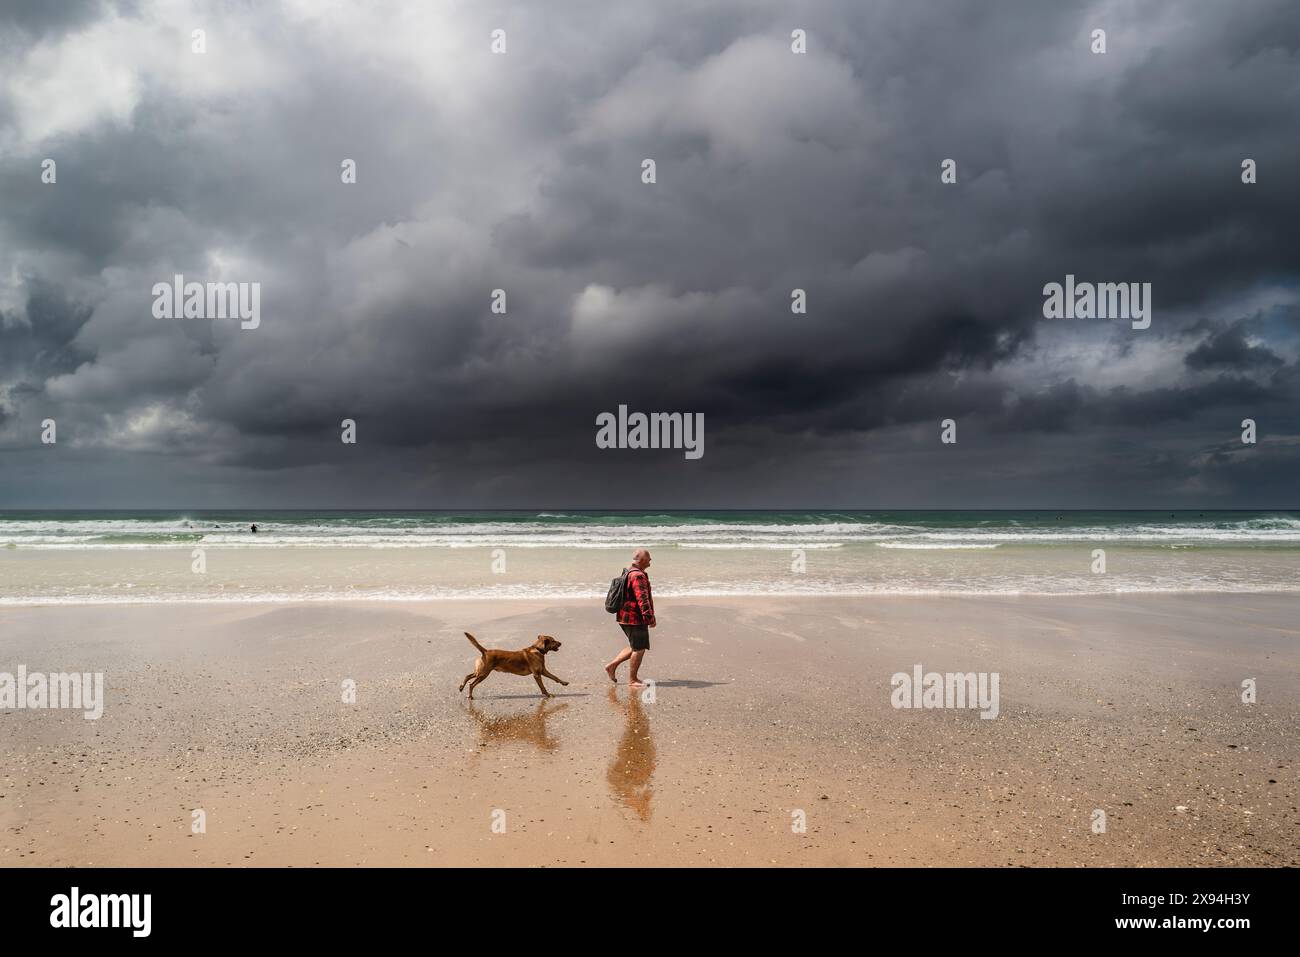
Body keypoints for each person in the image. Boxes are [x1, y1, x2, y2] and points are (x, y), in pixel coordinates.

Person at [605, 549, 655, 688]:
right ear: (641, 560)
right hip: (634, 618)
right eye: (648, 558)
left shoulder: (628, 571)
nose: (650, 561)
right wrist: (649, 617)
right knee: (639, 648)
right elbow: (642, 599)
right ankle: (632, 680)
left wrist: (651, 615)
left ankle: (611, 666)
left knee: (636, 645)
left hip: (625, 616)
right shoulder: (638, 576)